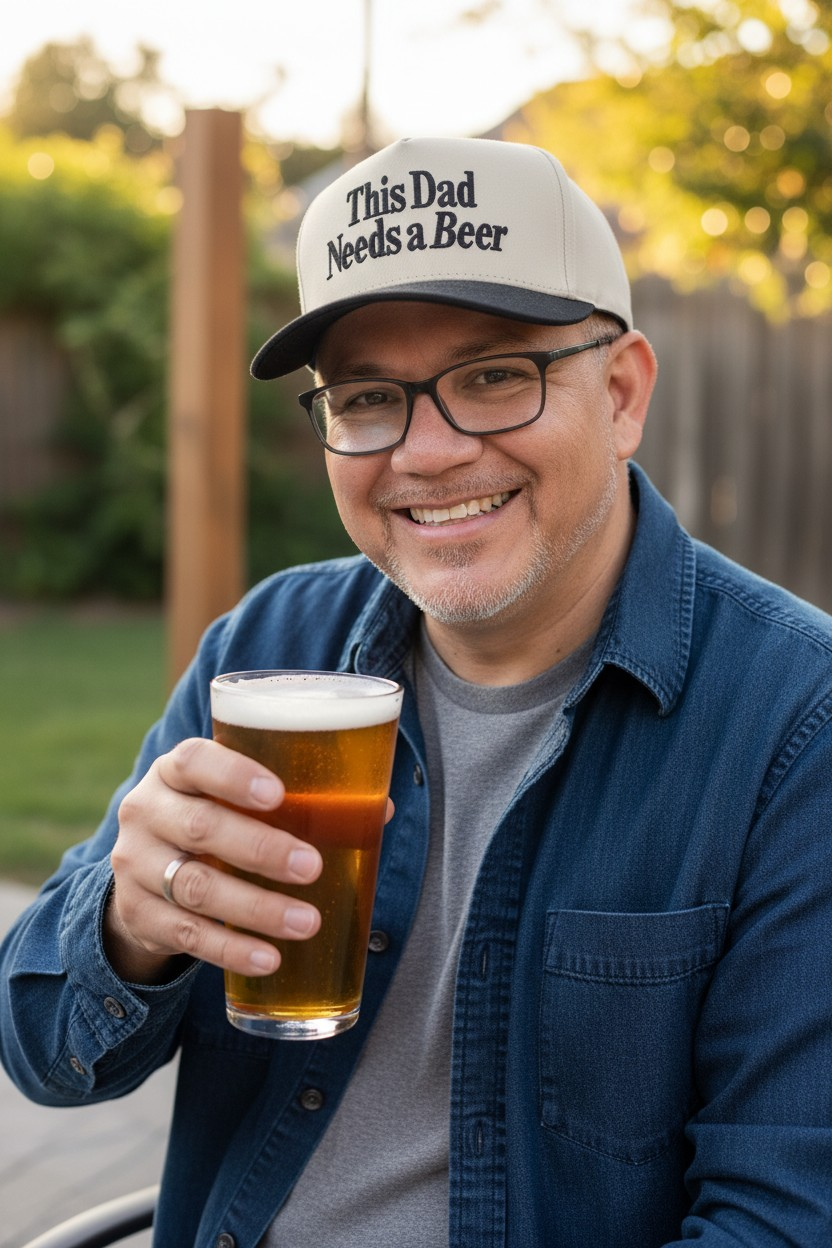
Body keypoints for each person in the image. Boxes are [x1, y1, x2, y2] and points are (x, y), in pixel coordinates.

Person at [1, 135, 831, 1248]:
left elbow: (782, 1217)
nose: (426, 453)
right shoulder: (272, 644)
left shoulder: (794, 723)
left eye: (494, 376)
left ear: (623, 392)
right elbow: (44, 1052)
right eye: (368, 396)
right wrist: (125, 925)